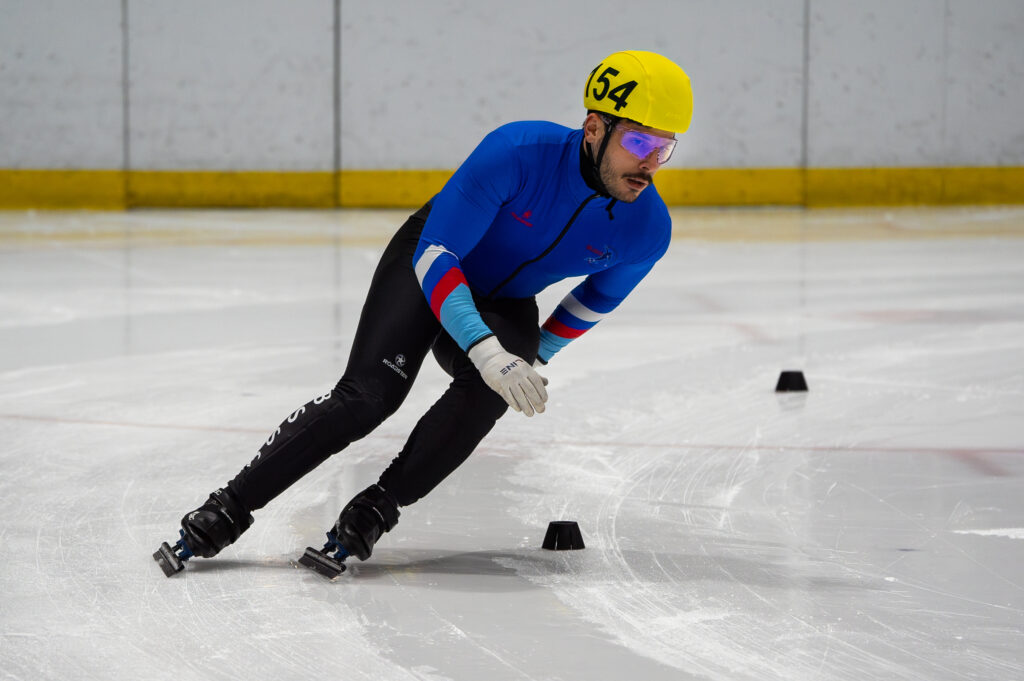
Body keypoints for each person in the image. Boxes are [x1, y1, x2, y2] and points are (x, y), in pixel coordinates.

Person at [154, 50, 693, 577]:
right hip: (431, 262)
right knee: (369, 397)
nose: (649, 162)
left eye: (664, 148)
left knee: (492, 388)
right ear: (594, 128)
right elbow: (438, 255)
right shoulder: (517, 151)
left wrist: (530, 358)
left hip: (504, 301)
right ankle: (229, 505)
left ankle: (375, 508)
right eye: (639, 141)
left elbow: (595, 299)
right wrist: (485, 350)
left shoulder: (648, 228)